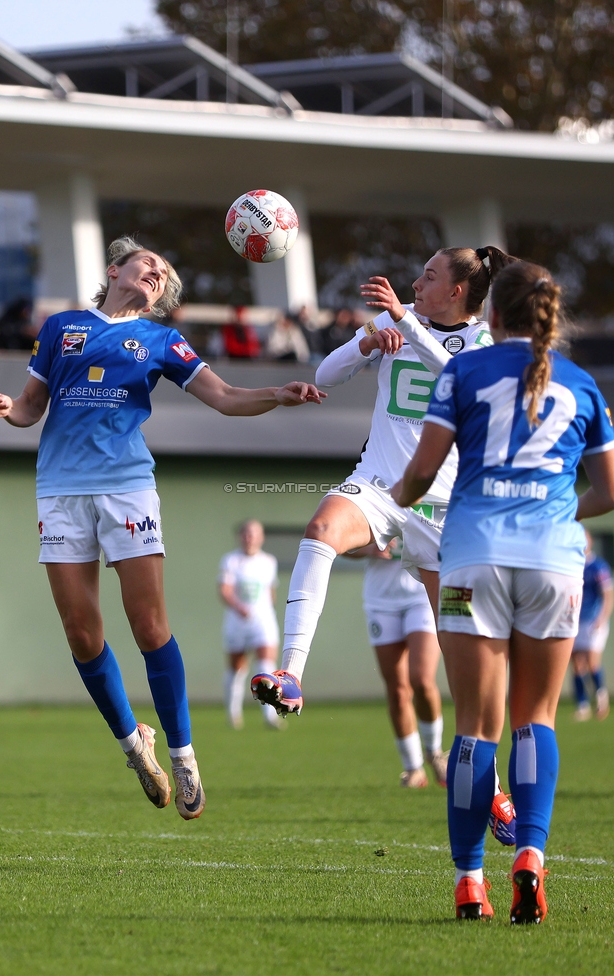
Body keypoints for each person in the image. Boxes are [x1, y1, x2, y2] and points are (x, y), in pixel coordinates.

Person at [0, 236, 324, 820]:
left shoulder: (163, 340)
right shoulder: (61, 326)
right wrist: (5, 407)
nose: (156, 273)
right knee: (82, 636)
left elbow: (225, 397)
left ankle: (185, 755)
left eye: (163, 273)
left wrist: (276, 393)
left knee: (149, 626)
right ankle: (134, 744)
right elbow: (31, 407)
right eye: (148, 264)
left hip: (127, 488)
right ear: (114, 270)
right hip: (60, 492)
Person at [251, 245, 517, 838]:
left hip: (449, 513)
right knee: (319, 532)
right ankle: (291, 673)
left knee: (463, 672)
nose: (416, 283)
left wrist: (402, 322)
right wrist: (368, 343)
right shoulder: (396, 322)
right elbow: (325, 374)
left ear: (457, 292)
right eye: (417, 274)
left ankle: (493, 791)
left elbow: (455, 376)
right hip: (378, 486)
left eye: (428, 276)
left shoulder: (485, 346)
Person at [394, 260, 614, 923]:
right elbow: (608, 490)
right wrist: (553, 520)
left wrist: (396, 505)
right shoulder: (584, 385)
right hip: (552, 563)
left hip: (473, 561)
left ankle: (469, 883)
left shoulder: (464, 371)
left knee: (475, 730)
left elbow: (422, 472)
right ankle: (531, 860)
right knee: (535, 719)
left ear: (491, 316)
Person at [345, 537, 446, 786]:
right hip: (381, 602)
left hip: (421, 596)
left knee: (421, 680)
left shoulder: (430, 501)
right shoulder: (373, 499)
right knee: (398, 691)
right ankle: (413, 769)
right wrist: (368, 549)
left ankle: (434, 753)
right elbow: (341, 544)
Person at [219, 519, 283, 729]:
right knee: (237, 668)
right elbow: (225, 591)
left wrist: (261, 611)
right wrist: (239, 607)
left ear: (261, 537)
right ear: (240, 536)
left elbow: (271, 594)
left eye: (254, 533)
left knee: (266, 665)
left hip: (262, 622)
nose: (250, 537)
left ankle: (270, 715)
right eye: (246, 533)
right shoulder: (231, 561)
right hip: (237, 622)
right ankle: (233, 714)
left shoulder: (269, 562)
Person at [572, 530, 612, 721]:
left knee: (592, 662)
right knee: (577, 664)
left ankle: (601, 699)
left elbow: (608, 594)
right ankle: (582, 705)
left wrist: (602, 618)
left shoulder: (598, 567)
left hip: (593, 620)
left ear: (591, 541)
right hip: (575, 620)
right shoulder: (573, 565)